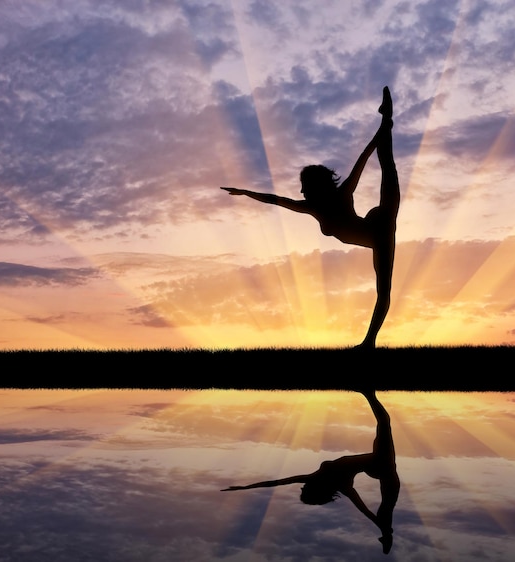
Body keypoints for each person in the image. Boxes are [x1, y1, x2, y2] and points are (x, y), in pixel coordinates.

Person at [222, 86, 399, 348]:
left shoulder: (342, 194)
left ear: (315, 186)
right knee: (387, 164)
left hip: (380, 230)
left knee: (387, 165)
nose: (301, 190)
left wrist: (382, 130)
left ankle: (369, 343)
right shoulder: (312, 207)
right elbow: (277, 200)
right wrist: (245, 192)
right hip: (372, 227)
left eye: (304, 185)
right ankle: (386, 119)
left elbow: (364, 158)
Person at [221, 389, 400, 554]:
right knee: (384, 422)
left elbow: (275, 483)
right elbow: (363, 510)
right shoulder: (337, 484)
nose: (301, 488)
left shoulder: (327, 482)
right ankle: (368, 392)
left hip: (377, 465)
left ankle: (387, 535)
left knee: (386, 509)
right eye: (304, 491)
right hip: (383, 464)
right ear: (313, 491)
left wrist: (244, 487)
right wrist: (243, 488)